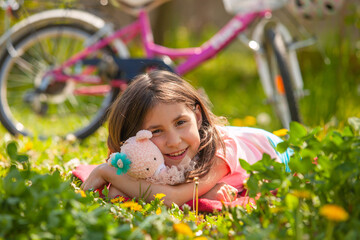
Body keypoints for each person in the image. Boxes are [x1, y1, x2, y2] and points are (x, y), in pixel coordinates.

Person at [81, 70, 291, 207]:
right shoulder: (143, 156)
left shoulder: (220, 152)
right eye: (156, 131)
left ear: (197, 117)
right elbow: (117, 192)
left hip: (272, 147)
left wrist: (106, 172)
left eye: (181, 123)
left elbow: (171, 198)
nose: (174, 141)